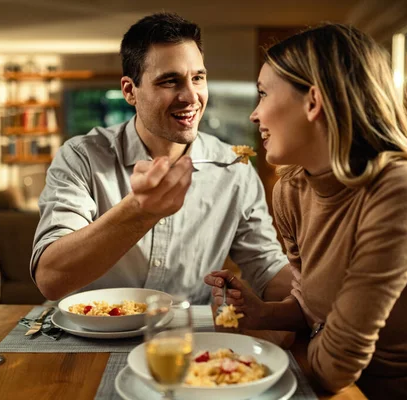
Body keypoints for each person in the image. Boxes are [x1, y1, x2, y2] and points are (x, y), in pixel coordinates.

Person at [205, 23, 407, 399]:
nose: (255, 115)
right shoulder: (290, 189)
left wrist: (311, 336)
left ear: (313, 102)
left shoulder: (401, 190)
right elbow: (311, 305)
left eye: (263, 94)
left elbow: (335, 367)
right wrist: (261, 313)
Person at [30, 12, 291, 305]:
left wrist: (328, 296)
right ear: (130, 91)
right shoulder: (81, 157)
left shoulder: (234, 169)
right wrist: (139, 211)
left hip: (187, 341)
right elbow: (50, 279)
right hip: (90, 341)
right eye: (170, 81)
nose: (191, 97)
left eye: (198, 78)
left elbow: (266, 269)